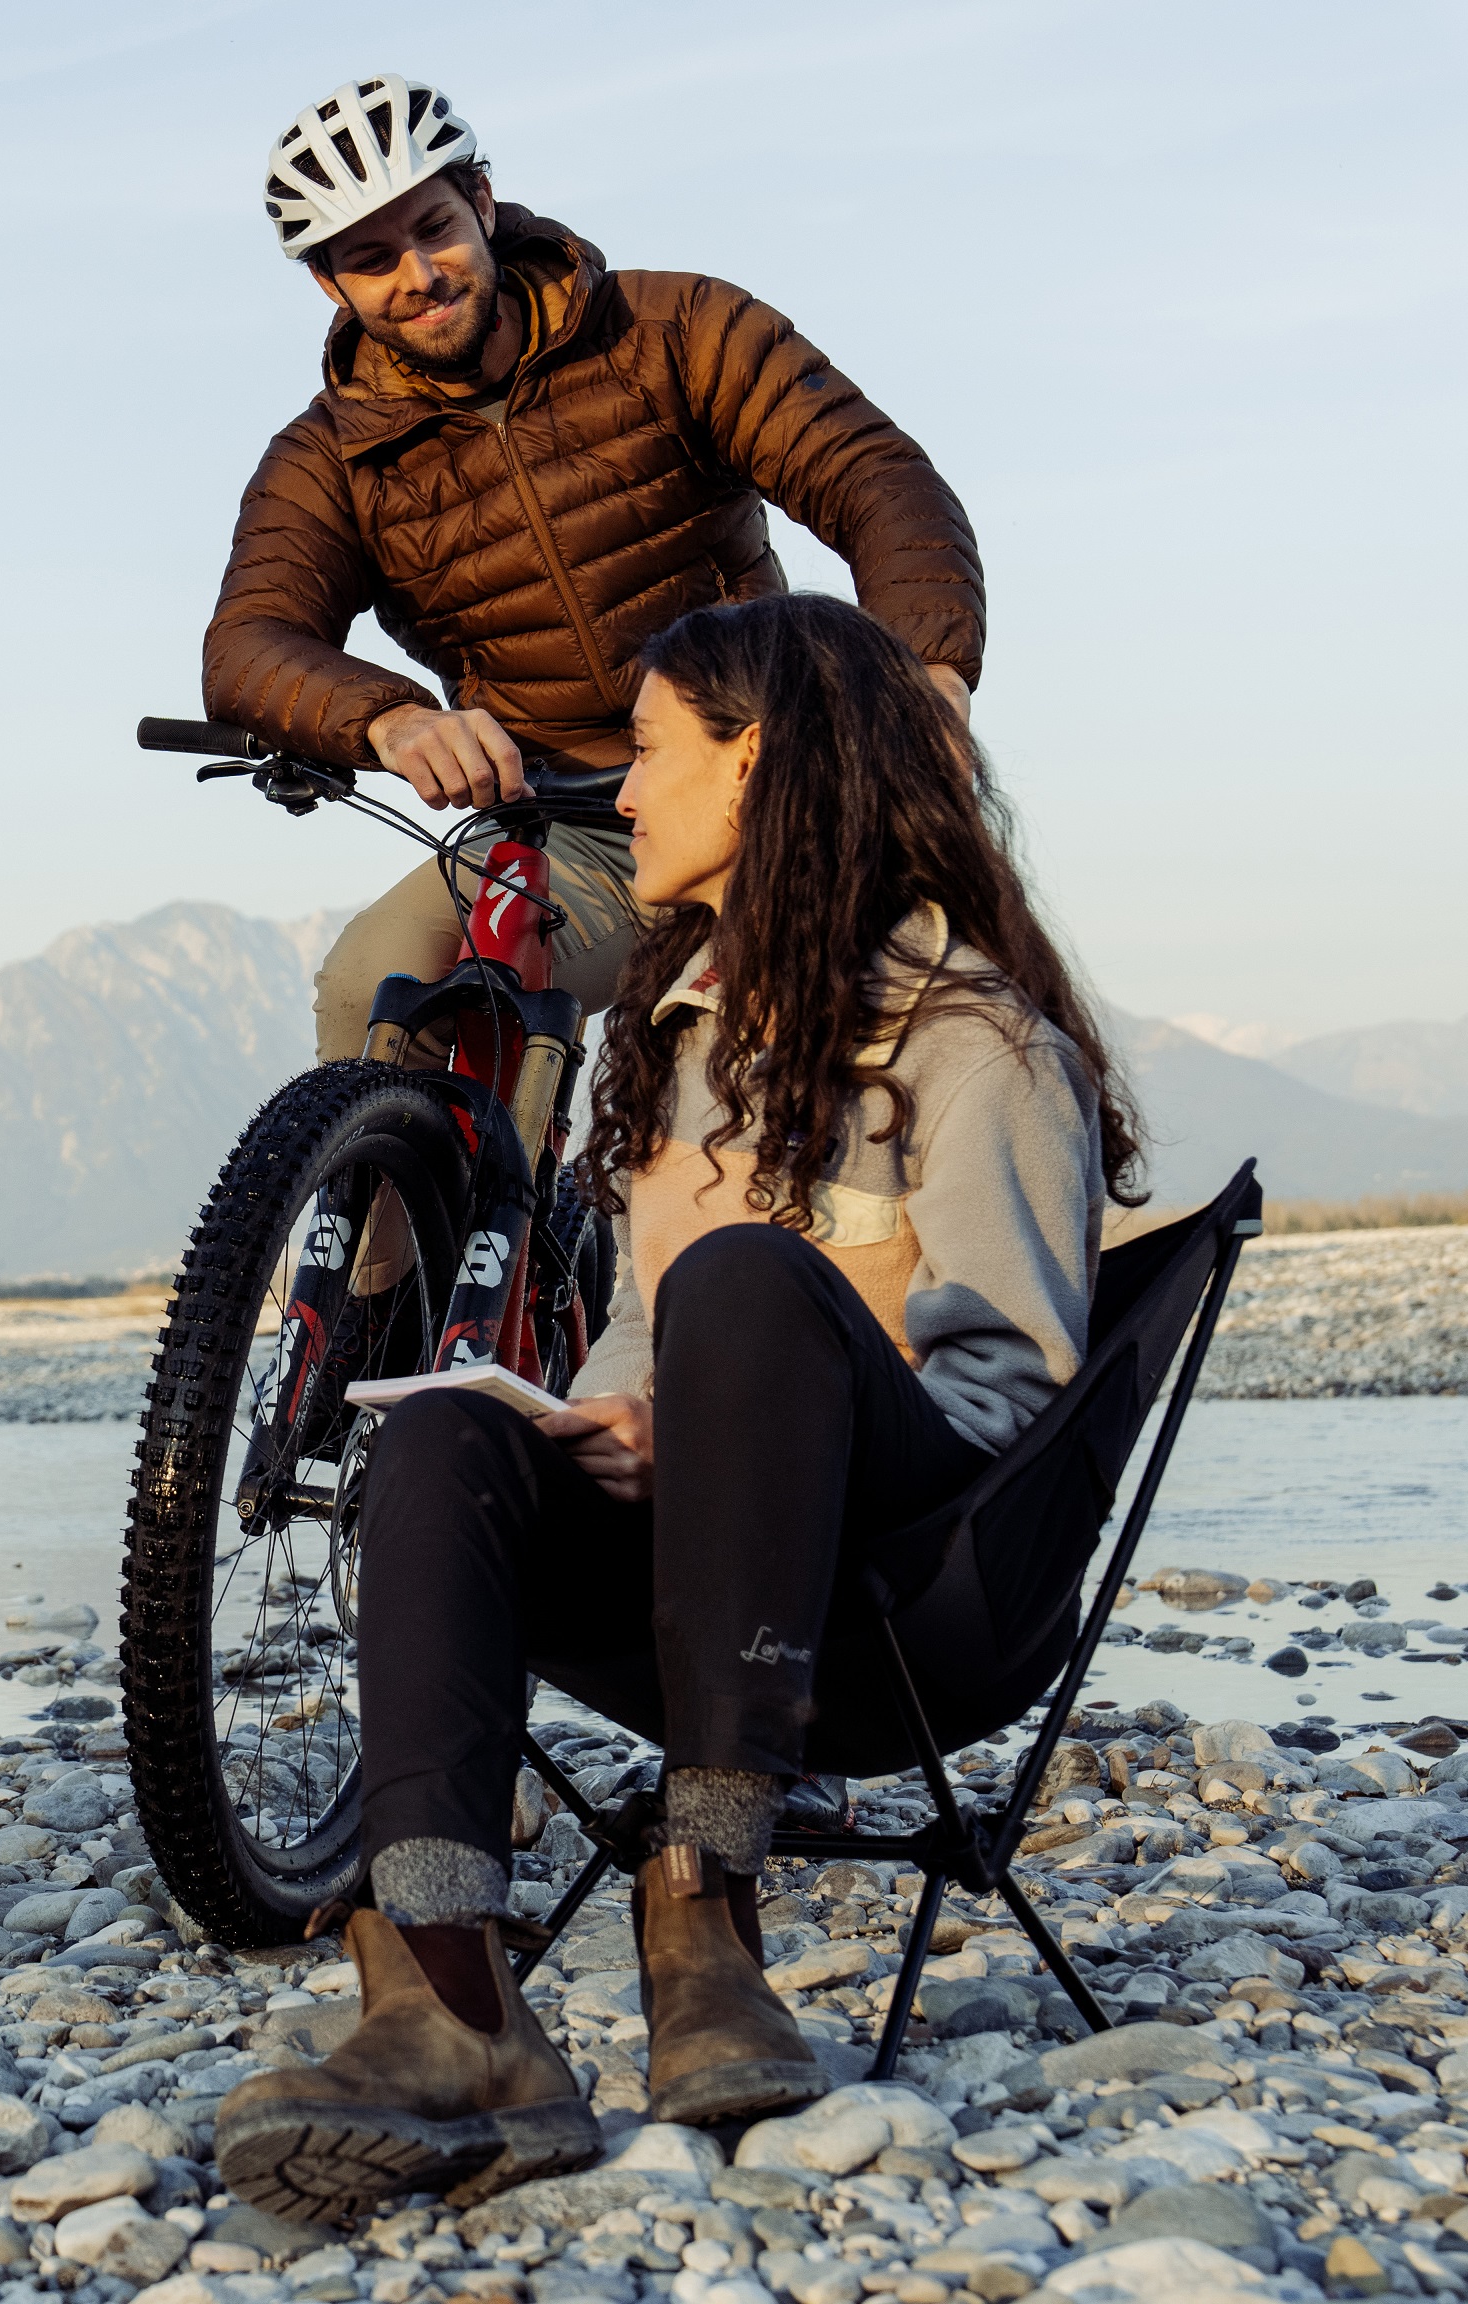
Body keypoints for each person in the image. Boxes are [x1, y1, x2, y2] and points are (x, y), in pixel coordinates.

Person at [211, 593, 1142, 2218]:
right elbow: (650, 1320)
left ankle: (705, 1895)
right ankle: (448, 1994)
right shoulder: (683, 1029)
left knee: (745, 1276)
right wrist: (620, 1415)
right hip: (697, 1582)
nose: (620, 795)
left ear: (758, 757)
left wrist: (754, 1385)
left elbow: (1013, 1396)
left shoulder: (973, 1030)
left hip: (919, 1597)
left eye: (647, 753)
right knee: (442, 1421)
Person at [206, 75, 985, 1042]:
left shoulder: (673, 330)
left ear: (483, 204)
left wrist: (929, 671)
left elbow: (873, 475)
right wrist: (393, 722)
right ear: (331, 284)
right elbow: (249, 642)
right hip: (560, 816)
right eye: (372, 260)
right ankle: (391, 1196)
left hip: (760, 779)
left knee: (893, 1025)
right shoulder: (327, 457)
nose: (418, 275)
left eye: (435, 228)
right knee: (379, 991)